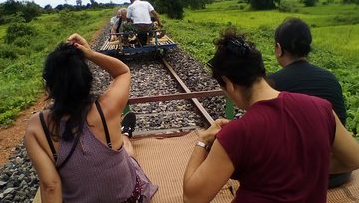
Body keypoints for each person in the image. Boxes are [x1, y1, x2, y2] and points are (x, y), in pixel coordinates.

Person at [182, 27, 359, 203]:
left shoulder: (236, 133)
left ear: (229, 83)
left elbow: (192, 198)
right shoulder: (322, 108)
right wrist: (305, 166)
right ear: (260, 71)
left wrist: (203, 141)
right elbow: (354, 159)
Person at [24, 34, 158, 203]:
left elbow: (51, 186)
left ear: (49, 86)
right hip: (129, 199)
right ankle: (125, 133)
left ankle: (124, 134)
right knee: (126, 151)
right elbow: (123, 71)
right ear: (87, 79)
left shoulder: (37, 126)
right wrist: (89, 53)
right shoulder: (107, 107)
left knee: (124, 149)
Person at [267, 17, 350, 188]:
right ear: (308, 47)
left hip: (295, 175)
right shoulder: (330, 78)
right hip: (337, 173)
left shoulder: (273, 83)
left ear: (278, 49)